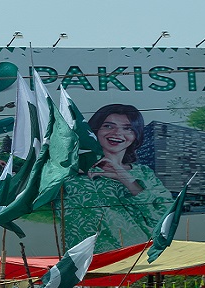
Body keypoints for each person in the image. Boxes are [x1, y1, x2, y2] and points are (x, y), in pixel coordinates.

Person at [61, 104, 172, 252]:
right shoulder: (70, 173)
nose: (117, 133)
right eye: (108, 126)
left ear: (135, 135)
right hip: (84, 262)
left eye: (128, 128)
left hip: (135, 260)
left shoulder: (144, 174)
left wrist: (127, 179)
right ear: (95, 130)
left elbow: (165, 218)